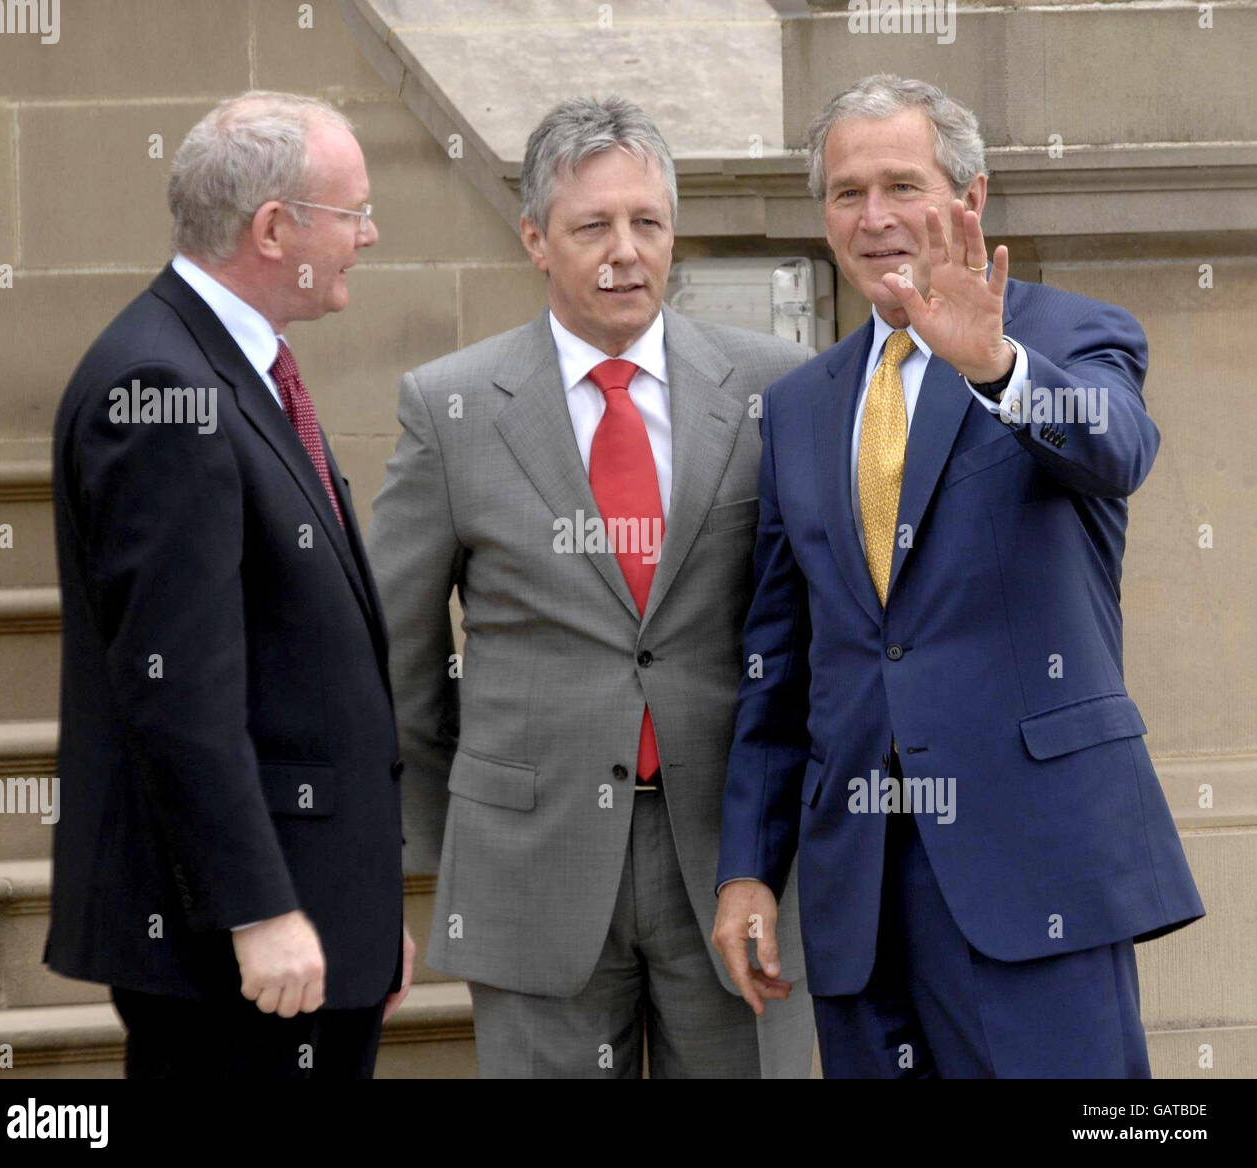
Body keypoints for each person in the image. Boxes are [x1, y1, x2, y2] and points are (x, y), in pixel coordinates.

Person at [713, 74, 1204, 1078]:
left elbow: (1115, 448)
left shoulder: (1064, 338)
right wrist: (748, 870)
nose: (876, 215)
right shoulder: (801, 405)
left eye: (902, 183)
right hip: (860, 896)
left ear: (970, 199)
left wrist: (997, 370)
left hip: (1033, 871)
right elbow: (780, 661)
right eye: (848, 192)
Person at [366, 96, 814, 1078]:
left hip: (735, 867)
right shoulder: (450, 408)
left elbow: (812, 628)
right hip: (529, 867)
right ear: (534, 238)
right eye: (591, 226)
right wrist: (460, 841)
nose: (624, 251)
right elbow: (394, 658)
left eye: (646, 222)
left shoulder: (774, 388)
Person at [47, 90, 411, 1079]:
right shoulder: (162, 389)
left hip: (309, 919)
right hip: (235, 955)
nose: (370, 236)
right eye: (354, 213)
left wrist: (358, 906)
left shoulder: (241, 366)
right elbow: (176, 690)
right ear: (274, 228)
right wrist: (260, 908)